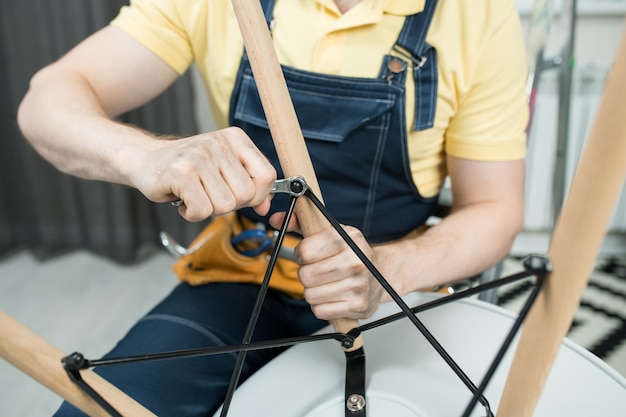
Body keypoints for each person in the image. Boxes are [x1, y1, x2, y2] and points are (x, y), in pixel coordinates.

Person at [17, 0, 529, 415]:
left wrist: (389, 269)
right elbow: (46, 103)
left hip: (394, 299)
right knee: (97, 408)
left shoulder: (478, 14)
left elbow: (494, 208)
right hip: (245, 276)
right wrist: (147, 155)